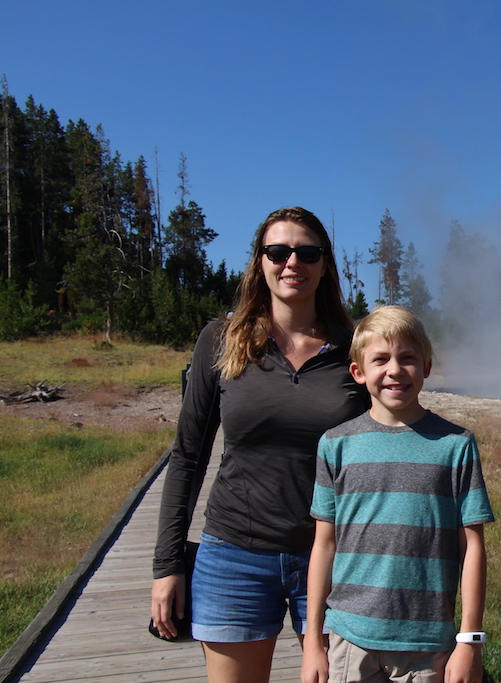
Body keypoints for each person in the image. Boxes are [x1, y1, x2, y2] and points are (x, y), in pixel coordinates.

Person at [150, 207, 370, 683]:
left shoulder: (354, 348)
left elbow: (388, 446)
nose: (293, 262)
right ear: (259, 262)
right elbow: (187, 456)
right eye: (278, 251)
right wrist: (167, 565)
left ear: (325, 264)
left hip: (333, 556)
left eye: (307, 253)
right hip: (234, 555)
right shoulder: (221, 340)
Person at [301, 305, 494, 683]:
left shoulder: (456, 445)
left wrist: (469, 641)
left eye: (407, 358)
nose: (395, 370)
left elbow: (472, 547)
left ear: (426, 367)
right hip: (350, 639)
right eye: (380, 359)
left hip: (427, 643)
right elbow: (324, 545)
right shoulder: (335, 445)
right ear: (358, 372)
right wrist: (313, 641)